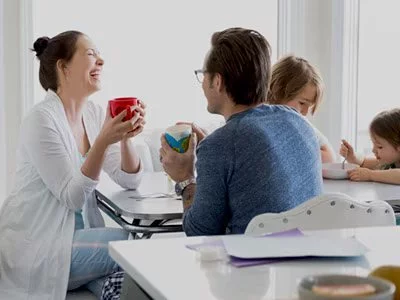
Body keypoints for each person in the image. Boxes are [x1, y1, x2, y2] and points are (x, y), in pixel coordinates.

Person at [0, 30, 145, 299]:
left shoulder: (92, 114)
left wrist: (125, 138)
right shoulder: (41, 120)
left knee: (126, 284)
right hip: (40, 247)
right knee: (132, 250)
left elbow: (130, 180)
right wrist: (102, 141)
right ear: (64, 68)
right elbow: (72, 197)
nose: (100, 61)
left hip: (79, 241)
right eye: (91, 54)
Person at [160, 27, 323, 236]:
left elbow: (201, 233)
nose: (202, 85)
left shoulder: (221, 145)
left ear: (217, 81)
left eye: (203, 75)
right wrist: (212, 152)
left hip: (256, 265)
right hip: (308, 260)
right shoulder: (299, 122)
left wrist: (185, 178)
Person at [267, 55, 336, 163]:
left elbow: (330, 157)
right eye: (302, 103)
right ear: (278, 90)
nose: (305, 112)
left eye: (310, 106)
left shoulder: (299, 123)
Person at [340, 108, 400, 184]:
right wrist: (352, 157)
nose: (373, 150)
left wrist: (370, 175)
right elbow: (363, 163)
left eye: (379, 147)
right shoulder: (390, 161)